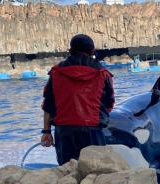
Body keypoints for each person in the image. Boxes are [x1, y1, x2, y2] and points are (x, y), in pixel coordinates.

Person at [41, 34, 115, 165]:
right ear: (92, 52)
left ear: (70, 51)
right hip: (93, 131)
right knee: (97, 173)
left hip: (64, 132)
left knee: (67, 175)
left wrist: (47, 131)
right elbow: (109, 103)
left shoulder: (56, 72)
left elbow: (48, 105)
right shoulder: (103, 73)